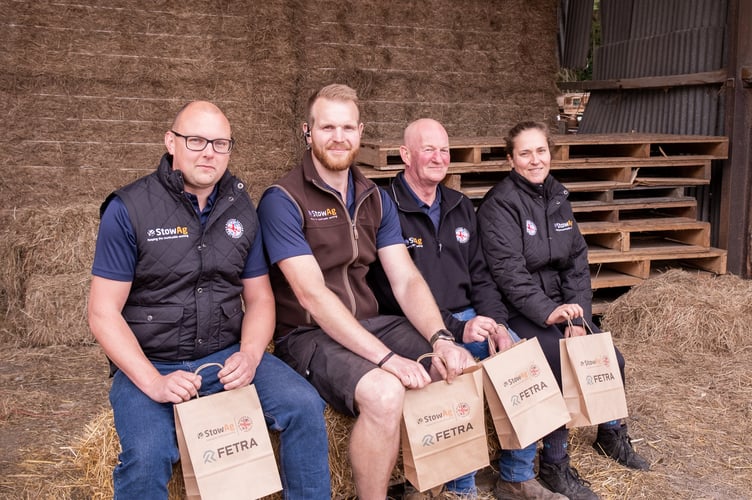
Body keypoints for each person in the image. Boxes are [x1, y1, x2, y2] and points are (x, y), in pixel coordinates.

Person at [87, 101, 331, 500]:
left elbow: (260, 298)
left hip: (225, 354)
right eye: (196, 140)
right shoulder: (128, 209)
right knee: (148, 457)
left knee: (304, 406)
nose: (209, 152)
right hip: (153, 362)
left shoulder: (241, 208)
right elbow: (102, 312)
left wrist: (251, 356)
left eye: (220, 143)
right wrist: (154, 382)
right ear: (171, 142)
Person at [256, 84, 475, 500]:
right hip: (307, 334)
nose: (338, 137)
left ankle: (422, 487)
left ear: (360, 132)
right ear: (308, 132)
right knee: (384, 390)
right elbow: (312, 295)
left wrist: (441, 338)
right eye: (326, 127)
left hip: (370, 322)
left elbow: (405, 278)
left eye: (346, 127)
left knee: (452, 364)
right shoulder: (282, 200)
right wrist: (387, 359)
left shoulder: (375, 197)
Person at [368, 118, 565, 500]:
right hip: (411, 322)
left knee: (521, 356)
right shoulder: (384, 206)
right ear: (405, 155)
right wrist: (456, 331)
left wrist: (498, 324)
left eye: (444, 150)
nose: (439, 157)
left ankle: (516, 476)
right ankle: (461, 490)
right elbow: (389, 289)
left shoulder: (460, 206)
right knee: (458, 367)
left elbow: (482, 276)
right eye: (428, 149)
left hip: (467, 316)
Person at [477, 121, 650, 500]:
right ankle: (554, 464)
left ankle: (611, 434)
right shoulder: (499, 205)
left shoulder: (558, 197)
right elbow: (509, 274)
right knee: (556, 361)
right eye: (525, 153)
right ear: (510, 159)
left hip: (561, 305)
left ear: (550, 153)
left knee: (608, 357)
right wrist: (550, 314)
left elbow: (576, 263)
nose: (534, 159)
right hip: (520, 308)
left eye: (541, 151)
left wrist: (579, 319)